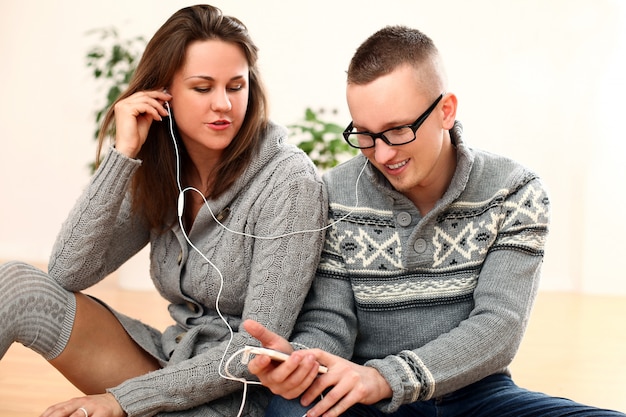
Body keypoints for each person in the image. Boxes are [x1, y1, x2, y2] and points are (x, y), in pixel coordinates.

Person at [243, 25, 626, 417]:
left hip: (479, 396)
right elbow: (330, 322)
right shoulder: (335, 192)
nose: (382, 153)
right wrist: (302, 362)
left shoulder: (515, 191)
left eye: (397, 130)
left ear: (446, 111)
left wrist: (389, 377)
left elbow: (499, 327)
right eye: (365, 134)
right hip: (372, 401)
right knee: (289, 408)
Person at [0, 4, 327, 417]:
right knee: (15, 285)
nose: (223, 104)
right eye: (203, 87)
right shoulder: (164, 167)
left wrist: (123, 400)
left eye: (236, 86)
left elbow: (256, 347)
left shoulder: (289, 182)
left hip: (237, 396)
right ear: (163, 93)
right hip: (168, 362)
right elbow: (67, 272)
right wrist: (123, 154)